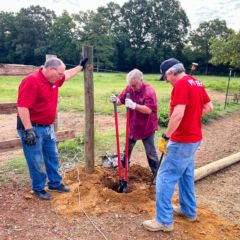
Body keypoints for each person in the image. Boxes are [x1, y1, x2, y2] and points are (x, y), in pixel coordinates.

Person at [143, 58, 213, 232]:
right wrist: (192, 119)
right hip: (195, 138)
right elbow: (208, 107)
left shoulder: (181, 84)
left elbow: (177, 114)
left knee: (164, 177)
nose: (166, 81)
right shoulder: (196, 82)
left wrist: (166, 136)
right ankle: (189, 211)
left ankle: (164, 220)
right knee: (186, 175)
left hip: (182, 140)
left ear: (170, 73)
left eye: (166, 78)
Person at [17, 57, 88, 200]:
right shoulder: (31, 81)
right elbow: (22, 106)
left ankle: (55, 183)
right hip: (32, 127)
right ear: (50, 69)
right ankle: (38, 188)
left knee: (52, 156)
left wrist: (80, 66)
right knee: (35, 159)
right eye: (59, 74)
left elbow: (67, 75)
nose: (61, 77)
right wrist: (29, 130)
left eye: (61, 75)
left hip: (47, 127)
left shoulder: (53, 80)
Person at [110, 68, 159, 175]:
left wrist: (134, 105)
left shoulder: (149, 92)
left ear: (141, 80)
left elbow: (148, 110)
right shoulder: (129, 88)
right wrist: (115, 101)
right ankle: (123, 170)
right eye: (131, 85)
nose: (133, 88)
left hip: (147, 127)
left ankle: (157, 174)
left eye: (135, 85)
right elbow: (120, 101)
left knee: (150, 152)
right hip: (133, 126)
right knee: (127, 150)